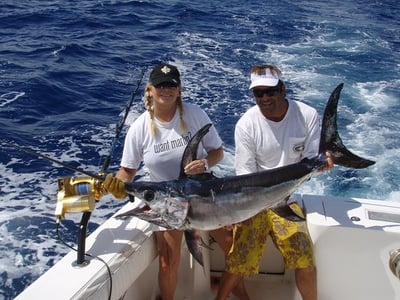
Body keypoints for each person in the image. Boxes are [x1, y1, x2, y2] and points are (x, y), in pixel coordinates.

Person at [103, 63, 227, 300]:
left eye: (172, 85)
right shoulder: (140, 127)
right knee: (168, 262)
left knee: (233, 244)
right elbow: (127, 172)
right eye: (160, 85)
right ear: (150, 89)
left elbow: (218, 151)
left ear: (179, 89)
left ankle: (231, 292)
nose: (166, 89)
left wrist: (205, 164)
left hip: (203, 194)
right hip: (166, 203)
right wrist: (116, 186)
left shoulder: (195, 114)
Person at [215, 64, 333, 300]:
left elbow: (312, 162)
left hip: (286, 201)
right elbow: (245, 178)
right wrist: (236, 213)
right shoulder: (246, 125)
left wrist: (324, 164)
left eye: (270, 91)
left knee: (304, 259)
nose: (265, 98)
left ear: (283, 89)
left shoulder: (306, 115)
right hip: (255, 204)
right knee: (239, 260)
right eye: (258, 93)